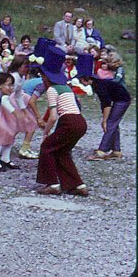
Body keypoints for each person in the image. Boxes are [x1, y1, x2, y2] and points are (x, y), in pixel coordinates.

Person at [35, 45, 88, 196]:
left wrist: (46, 133)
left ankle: (52, 183)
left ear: (46, 77)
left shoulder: (52, 90)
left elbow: (53, 116)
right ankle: (77, 185)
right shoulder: (65, 88)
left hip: (68, 121)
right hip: (80, 121)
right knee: (62, 151)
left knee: (47, 147)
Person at [77, 54, 130, 161]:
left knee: (110, 124)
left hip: (122, 100)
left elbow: (106, 104)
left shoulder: (99, 86)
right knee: (114, 124)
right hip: (119, 99)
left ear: (84, 80)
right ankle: (116, 151)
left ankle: (102, 151)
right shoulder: (97, 83)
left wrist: (104, 120)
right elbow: (104, 103)